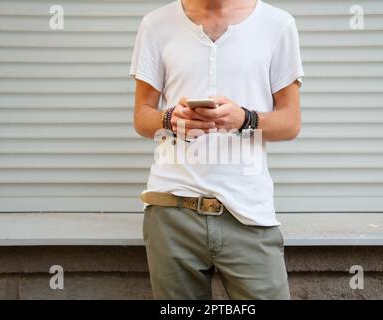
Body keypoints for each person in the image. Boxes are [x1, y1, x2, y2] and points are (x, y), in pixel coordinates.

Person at [130, 0, 304, 299]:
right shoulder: (155, 24)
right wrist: (170, 119)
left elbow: (290, 123)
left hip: (247, 212)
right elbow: (142, 117)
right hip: (172, 210)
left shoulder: (278, 25)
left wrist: (244, 119)